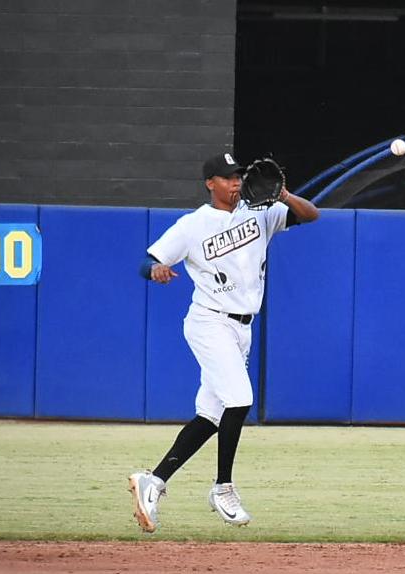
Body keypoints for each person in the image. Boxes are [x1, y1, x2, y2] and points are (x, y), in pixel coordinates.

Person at [128, 152, 319, 533]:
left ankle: (155, 480)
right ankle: (223, 487)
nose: (236, 183)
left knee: (211, 417)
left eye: (239, 177)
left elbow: (311, 214)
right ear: (210, 183)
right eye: (228, 178)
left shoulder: (261, 212)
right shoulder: (193, 224)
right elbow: (145, 261)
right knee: (240, 399)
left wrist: (283, 195)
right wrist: (157, 270)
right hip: (209, 322)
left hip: (241, 329)